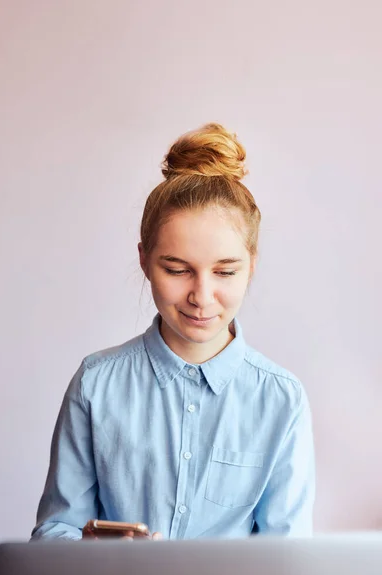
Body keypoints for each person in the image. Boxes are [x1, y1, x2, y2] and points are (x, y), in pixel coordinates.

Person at [31, 122, 315, 541]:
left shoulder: (281, 399)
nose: (202, 296)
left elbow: (287, 562)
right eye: (177, 270)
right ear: (145, 260)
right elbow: (55, 530)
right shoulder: (95, 384)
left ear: (251, 266)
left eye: (225, 271)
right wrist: (88, 548)